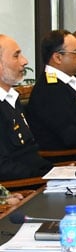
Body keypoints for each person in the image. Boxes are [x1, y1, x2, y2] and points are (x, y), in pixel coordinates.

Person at [27, 30, 76, 150]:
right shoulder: (50, 90)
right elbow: (72, 137)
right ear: (58, 58)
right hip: (71, 159)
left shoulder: (67, 82)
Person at [0, 35, 52, 180]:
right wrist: (44, 176)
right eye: (16, 56)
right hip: (24, 186)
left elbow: (29, 153)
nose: (24, 61)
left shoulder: (11, 98)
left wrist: (57, 171)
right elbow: (4, 168)